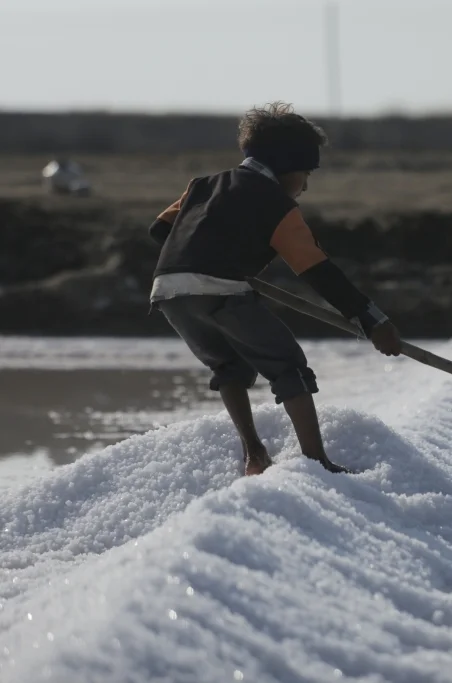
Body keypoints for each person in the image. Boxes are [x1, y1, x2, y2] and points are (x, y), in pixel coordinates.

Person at [147, 102, 401, 476]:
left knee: (230, 366)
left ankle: (254, 453)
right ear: (286, 165)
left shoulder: (202, 185)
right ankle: (317, 462)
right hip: (221, 289)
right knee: (288, 367)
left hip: (168, 290)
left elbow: (160, 230)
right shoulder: (276, 205)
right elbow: (319, 272)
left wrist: (211, 255)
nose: (306, 185)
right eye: (306, 173)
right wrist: (374, 321)